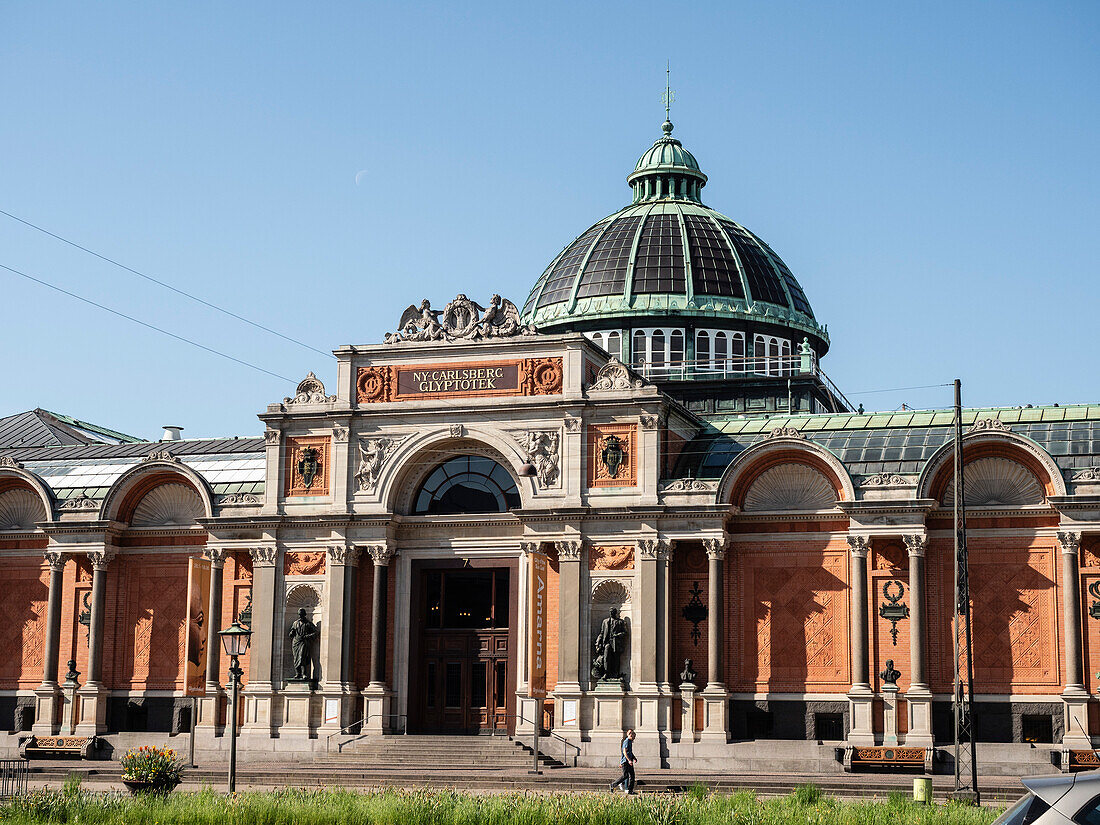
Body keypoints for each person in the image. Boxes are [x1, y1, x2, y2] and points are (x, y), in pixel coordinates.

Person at [609, 729, 637, 794]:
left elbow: (630, 752)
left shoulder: (630, 742)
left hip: (629, 762)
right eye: (633, 737)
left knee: (632, 776)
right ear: (630, 735)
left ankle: (630, 791)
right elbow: (624, 752)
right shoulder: (626, 741)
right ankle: (613, 785)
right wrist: (629, 760)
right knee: (625, 776)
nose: (634, 738)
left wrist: (634, 758)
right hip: (626, 762)